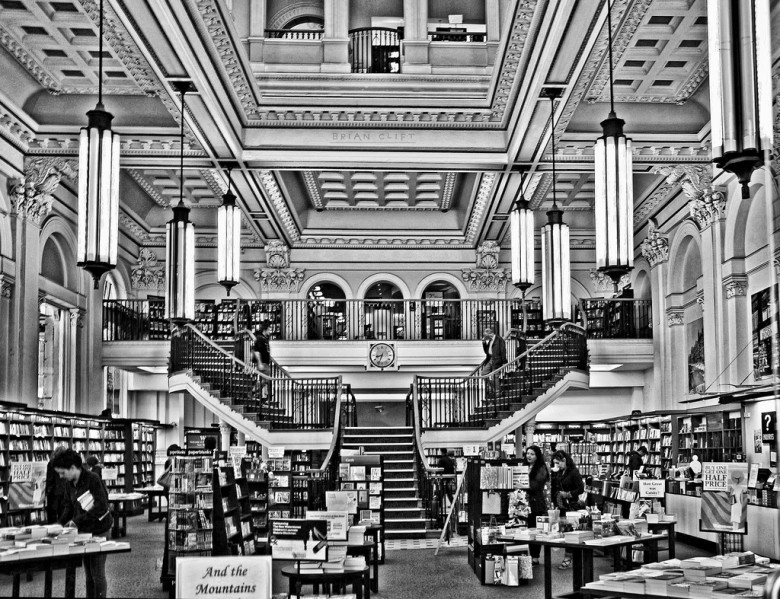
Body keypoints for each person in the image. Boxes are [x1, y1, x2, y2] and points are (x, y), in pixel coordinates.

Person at [53, 449, 113, 599]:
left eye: (62, 472)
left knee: (97, 573)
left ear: (73, 468)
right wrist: (59, 524)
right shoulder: (69, 484)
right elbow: (69, 506)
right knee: (88, 575)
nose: (61, 476)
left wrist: (76, 521)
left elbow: (101, 506)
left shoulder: (92, 479)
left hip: (100, 529)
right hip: (84, 532)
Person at [552, 449, 585, 570]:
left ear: (564, 460)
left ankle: (568, 557)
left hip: (572, 506)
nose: (556, 465)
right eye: (555, 463)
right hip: (562, 506)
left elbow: (581, 489)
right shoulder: (560, 472)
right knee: (565, 531)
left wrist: (568, 494)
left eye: (558, 463)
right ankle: (570, 556)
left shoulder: (574, 472)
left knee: (570, 531)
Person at [524, 445, 550, 565]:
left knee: (535, 529)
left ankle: (535, 557)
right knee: (526, 529)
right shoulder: (525, 466)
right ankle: (526, 555)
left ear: (537, 456)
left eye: (532, 454)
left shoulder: (541, 468)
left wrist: (523, 486)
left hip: (536, 502)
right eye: (527, 453)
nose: (528, 456)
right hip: (524, 502)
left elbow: (537, 486)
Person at [481, 326, 507, 403]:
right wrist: (484, 343)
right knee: (483, 374)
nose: (485, 337)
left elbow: (503, 351)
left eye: (486, 336)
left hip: (497, 360)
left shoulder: (499, 340)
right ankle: (495, 388)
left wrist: (504, 362)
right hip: (490, 360)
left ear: (490, 334)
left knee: (495, 376)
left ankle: (498, 393)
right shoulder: (489, 341)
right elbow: (486, 352)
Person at [45, 446, 68, 524]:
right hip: (65, 491)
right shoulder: (67, 463)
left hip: (54, 492)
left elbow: (50, 478)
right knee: (63, 513)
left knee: (52, 514)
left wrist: (47, 491)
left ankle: (52, 531)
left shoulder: (52, 463)